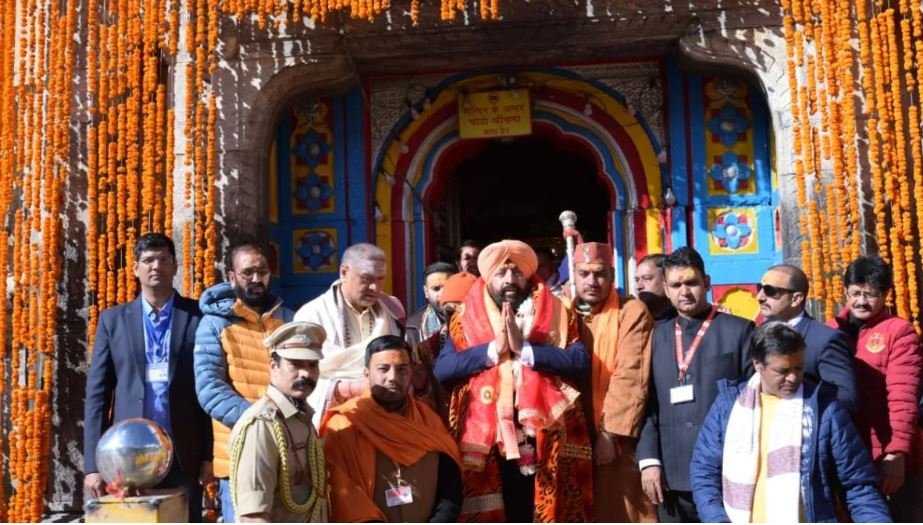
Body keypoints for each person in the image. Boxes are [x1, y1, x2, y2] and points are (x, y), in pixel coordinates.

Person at [433, 240, 593, 522]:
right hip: (487, 436)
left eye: (517, 272)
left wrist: (525, 349)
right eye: (501, 272)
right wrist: (493, 349)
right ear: (487, 277)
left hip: (545, 434)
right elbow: (443, 369)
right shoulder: (464, 317)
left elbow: (579, 362)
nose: (510, 279)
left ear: (528, 275)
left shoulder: (557, 310)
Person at [690, 322, 891, 522]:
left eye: (799, 368)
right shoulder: (728, 406)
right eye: (783, 371)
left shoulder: (824, 409)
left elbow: (858, 484)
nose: (793, 378)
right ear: (758, 364)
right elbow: (704, 472)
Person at [84, 233, 212, 521]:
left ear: (175, 266)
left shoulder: (198, 317)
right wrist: (93, 464)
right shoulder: (113, 320)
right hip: (127, 454)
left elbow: (210, 388)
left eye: (164, 259)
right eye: (148, 260)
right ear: (135, 268)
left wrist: (209, 455)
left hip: (183, 452)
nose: (156, 266)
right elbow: (97, 396)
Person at [637, 246, 755, 522]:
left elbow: (754, 400)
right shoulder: (655, 337)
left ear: (707, 282)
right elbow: (645, 404)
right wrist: (649, 461)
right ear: (666, 290)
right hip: (671, 473)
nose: (684, 292)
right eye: (676, 285)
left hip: (725, 469)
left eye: (691, 283)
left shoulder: (740, 331)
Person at [194, 241, 295, 522]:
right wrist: (260, 423)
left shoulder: (288, 319)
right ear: (231, 277)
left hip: (289, 453)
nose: (256, 279)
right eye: (247, 272)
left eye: (262, 272)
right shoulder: (214, 324)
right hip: (240, 454)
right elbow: (210, 389)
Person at [321, 335, 462, 522]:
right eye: (383, 369)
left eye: (402, 369)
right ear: (366, 374)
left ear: (411, 372)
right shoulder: (344, 425)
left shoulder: (429, 421)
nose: (393, 377)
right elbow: (342, 495)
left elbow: (450, 489)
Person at [828, 255, 923, 522]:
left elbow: (904, 396)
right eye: (855, 293)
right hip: (845, 452)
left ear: (885, 295)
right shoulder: (831, 330)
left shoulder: (899, 332)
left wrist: (896, 453)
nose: (861, 301)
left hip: (886, 454)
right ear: (845, 291)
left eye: (870, 294)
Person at [570, 242, 657, 522]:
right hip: (572, 435)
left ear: (612, 276)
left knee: (619, 510)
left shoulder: (631, 312)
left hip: (616, 436)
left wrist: (608, 433)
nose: (591, 281)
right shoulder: (564, 311)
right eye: (584, 274)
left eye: (599, 274)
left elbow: (630, 375)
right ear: (574, 275)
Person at [294, 243, 405, 425]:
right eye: (366, 278)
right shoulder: (311, 315)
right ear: (344, 272)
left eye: (380, 279)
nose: (375, 287)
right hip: (334, 422)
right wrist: (348, 389)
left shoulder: (393, 309)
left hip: (386, 415)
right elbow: (299, 375)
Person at [229, 322, 329, 522]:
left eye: (312, 365)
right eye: (295, 364)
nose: (306, 373)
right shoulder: (261, 425)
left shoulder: (301, 417)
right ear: (273, 367)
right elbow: (253, 517)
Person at [757, 264, 857, 413]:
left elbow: (846, 399)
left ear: (796, 299)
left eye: (770, 291)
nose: (760, 297)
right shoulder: (757, 334)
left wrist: (797, 394)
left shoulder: (824, 340)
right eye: (759, 288)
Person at [406, 261, 456, 349]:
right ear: (426, 292)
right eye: (436, 289)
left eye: (448, 287)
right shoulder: (414, 327)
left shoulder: (472, 319)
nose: (443, 294)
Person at [634, 253, 676, 323]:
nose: (639, 286)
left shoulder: (683, 320)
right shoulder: (634, 320)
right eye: (637, 280)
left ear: (666, 279)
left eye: (646, 278)